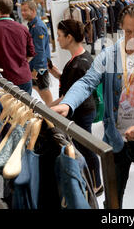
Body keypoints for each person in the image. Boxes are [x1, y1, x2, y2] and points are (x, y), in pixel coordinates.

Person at [51, 4, 134, 209]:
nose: (133, 36)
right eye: (128, 31)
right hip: (116, 139)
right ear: (121, 28)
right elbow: (87, 81)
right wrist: (68, 103)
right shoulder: (109, 55)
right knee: (113, 197)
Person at [48, 19, 102, 195]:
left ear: (69, 37)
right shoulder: (82, 58)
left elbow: (66, 97)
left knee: (85, 147)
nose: (58, 39)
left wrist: (45, 107)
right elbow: (71, 84)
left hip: (81, 112)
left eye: (59, 36)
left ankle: (96, 184)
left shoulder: (78, 64)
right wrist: (56, 73)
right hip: (84, 109)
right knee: (83, 146)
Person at [21, 0, 53, 105]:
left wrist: (36, 69)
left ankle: (53, 113)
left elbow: (39, 51)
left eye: (25, 10)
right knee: (37, 87)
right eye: (22, 11)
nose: (23, 13)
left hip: (39, 66)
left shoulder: (38, 27)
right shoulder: (32, 25)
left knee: (43, 89)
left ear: (33, 11)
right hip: (35, 65)